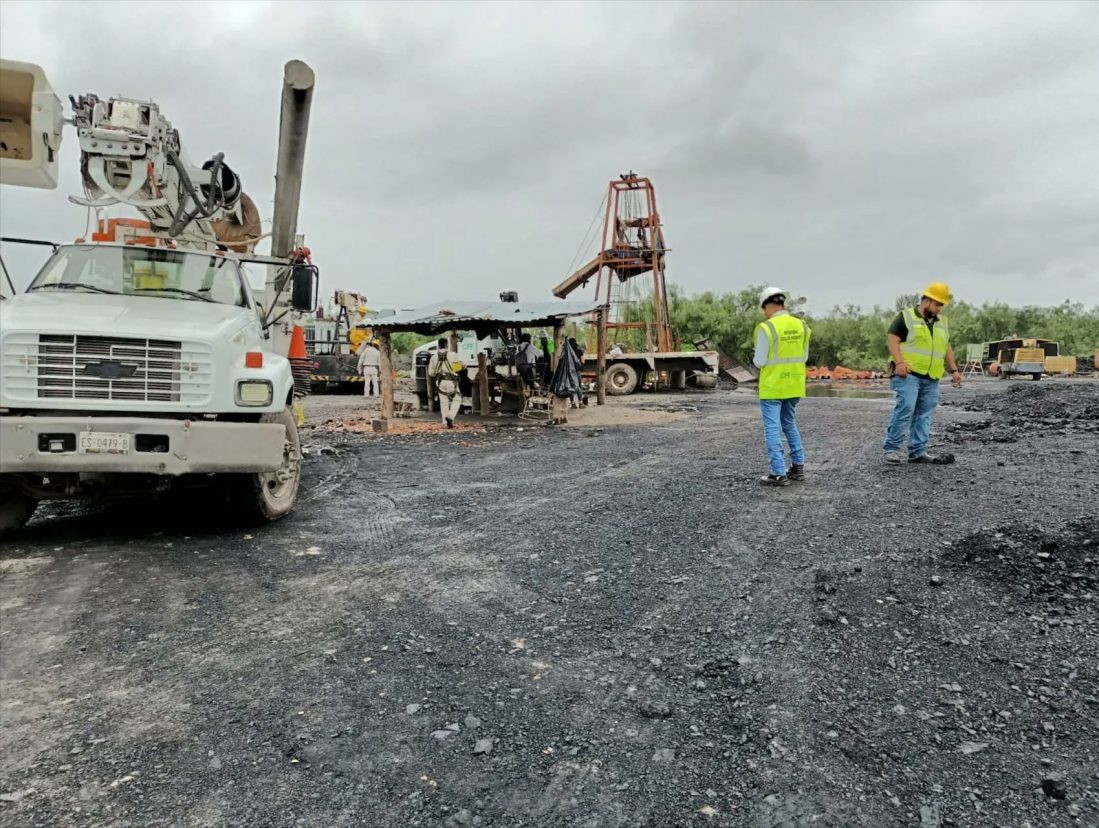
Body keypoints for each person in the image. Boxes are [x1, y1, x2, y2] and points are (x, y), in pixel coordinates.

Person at [882, 282, 962, 464]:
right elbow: (892, 339)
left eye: (942, 305)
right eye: (938, 304)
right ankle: (891, 448)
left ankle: (917, 451)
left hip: (931, 376)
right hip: (908, 373)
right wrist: (899, 362)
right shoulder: (906, 317)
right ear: (927, 300)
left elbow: (946, 347)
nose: (940, 309)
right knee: (906, 408)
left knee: (925, 413)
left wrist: (954, 370)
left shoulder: (942, 324)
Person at [752, 286, 811, 487]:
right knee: (789, 423)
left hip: (773, 386)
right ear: (782, 304)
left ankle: (778, 473)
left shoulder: (766, 328)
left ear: (767, 305)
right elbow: (804, 357)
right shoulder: (802, 326)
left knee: (772, 428)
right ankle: (798, 467)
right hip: (794, 384)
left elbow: (759, 361)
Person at [428, 338, 464, 428]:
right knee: (457, 398)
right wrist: (462, 366)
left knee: (443, 402)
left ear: (438, 346)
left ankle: (444, 423)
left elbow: (431, 373)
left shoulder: (434, 357)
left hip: (440, 382)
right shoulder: (453, 355)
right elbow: (458, 368)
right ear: (447, 345)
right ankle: (450, 416)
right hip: (451, 381)